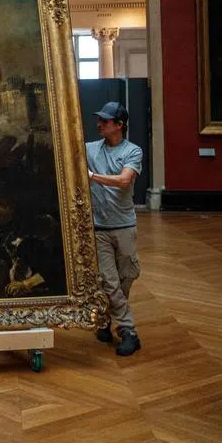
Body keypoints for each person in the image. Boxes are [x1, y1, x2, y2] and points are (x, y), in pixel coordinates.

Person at [86, 101, 144, 356]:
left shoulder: (133, 151)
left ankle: (104, 318)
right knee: (109, 281)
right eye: (99, 119)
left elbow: (123, 181)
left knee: (127, 276)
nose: (99, 124)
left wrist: (91, 176)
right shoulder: (89, 149)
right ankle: (128, 331)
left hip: (125, 226)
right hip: (99, 228)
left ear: (119, 125)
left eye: (105, 121)